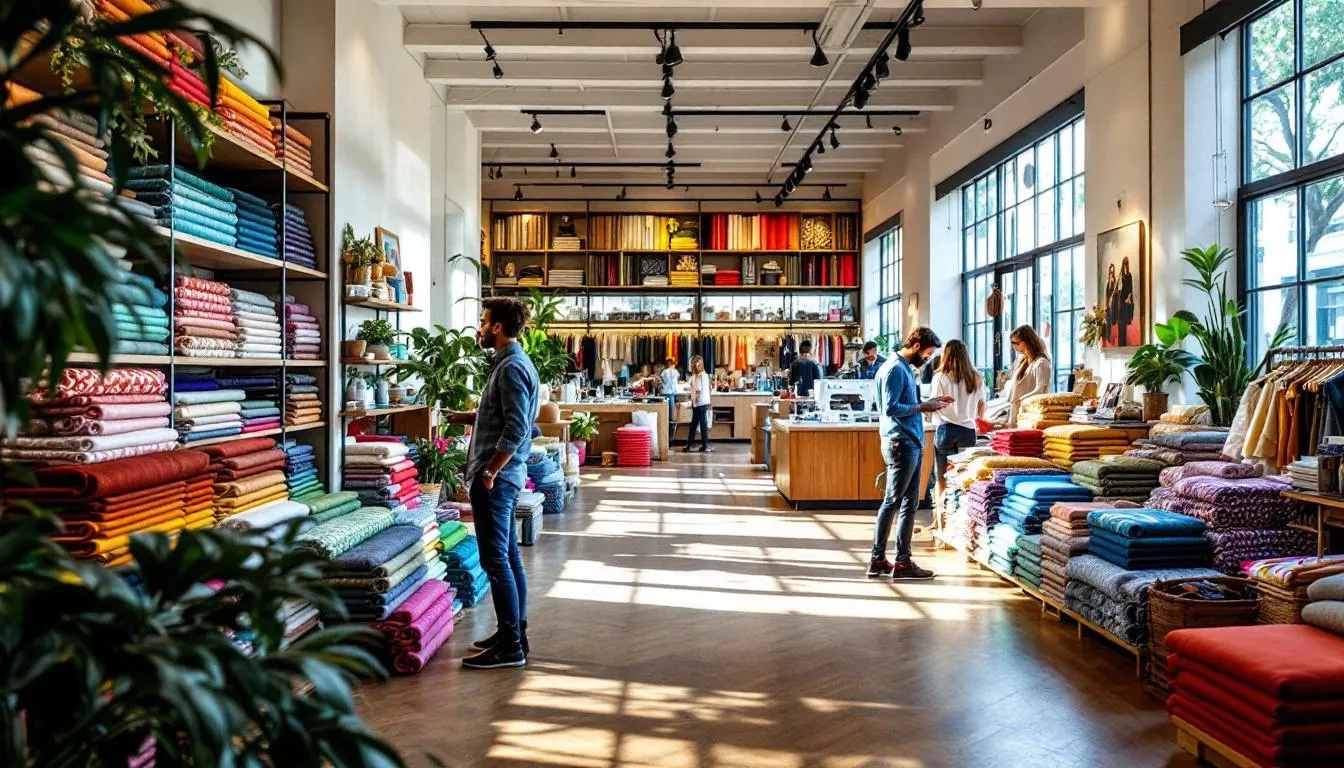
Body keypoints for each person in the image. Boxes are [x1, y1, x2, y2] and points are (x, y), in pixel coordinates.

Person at [449, 296, 540, 670]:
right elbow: (503, 414)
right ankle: (512, 633)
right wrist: (468, 416)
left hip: (496, 479)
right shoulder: (508, 363)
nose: (480, 327)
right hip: (500, 476)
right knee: (509, 556)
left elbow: (518, 427)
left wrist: (490, 471)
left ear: (498, 327)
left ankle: (511, 648)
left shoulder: (511, 367)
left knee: (495, 560)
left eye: (484, 321)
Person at [870, 327, 951, 580]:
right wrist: (924, 406)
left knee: (909, 502)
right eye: (927, 354)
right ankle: (879, 558)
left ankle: (900, 560)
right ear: (916, 346)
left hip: (908, 441)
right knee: (894, 501)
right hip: (901, 442)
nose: (927, 359)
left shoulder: (901, 368)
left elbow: (901, 403)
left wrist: (930, 402)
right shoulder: (895, 369)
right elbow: (892, 408)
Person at [931, 340, 985, 500]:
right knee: (964, 477)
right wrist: (978, 421)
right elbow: (982, 404)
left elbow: (934, 403)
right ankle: (961, 519)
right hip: (968, 432)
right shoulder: (976, 377)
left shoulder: (940, 377)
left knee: (942, 478)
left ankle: (941, 521)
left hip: (945, 430)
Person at [1005, 324, 1052, 426]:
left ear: (1026, 342)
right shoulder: (1022, 361)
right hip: (1017, 414)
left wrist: (1020, 400)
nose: (1013, 346)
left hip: (1030, 416)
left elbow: (1040, 392)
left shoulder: (1041, 363)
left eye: (1015, 343)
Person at [684, 355, 712, 453]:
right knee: (702, 424)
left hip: (698, 402)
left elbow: (697, 389)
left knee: (694, 424)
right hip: (702, 402)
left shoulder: (696, 376)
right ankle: (704, 446)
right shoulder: (704, 375)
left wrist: (694, 400)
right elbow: (705, 389)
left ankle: (689, 445)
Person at [659, 357, 680, 443]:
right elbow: (677, 380)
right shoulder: (675, 372)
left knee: (664, 412)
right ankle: (671, 434)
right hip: (672, 393)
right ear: (672, 363)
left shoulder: (664, 372)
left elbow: (662, 382)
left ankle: (665, 432)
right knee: (671, 413)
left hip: (664, 392)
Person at [1119, 256, 1135, 346]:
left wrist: (1129, 298)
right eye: (1124, 263)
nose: (1125, 265)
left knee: (1126, 318)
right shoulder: (1121, 275)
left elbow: (1130, 287)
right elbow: (1120, 287)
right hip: (1121, 297)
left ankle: (1124, 341)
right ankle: (1121, 342)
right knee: (1121, 319)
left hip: (1127, 297)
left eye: (1126, 263)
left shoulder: (1129, 275)